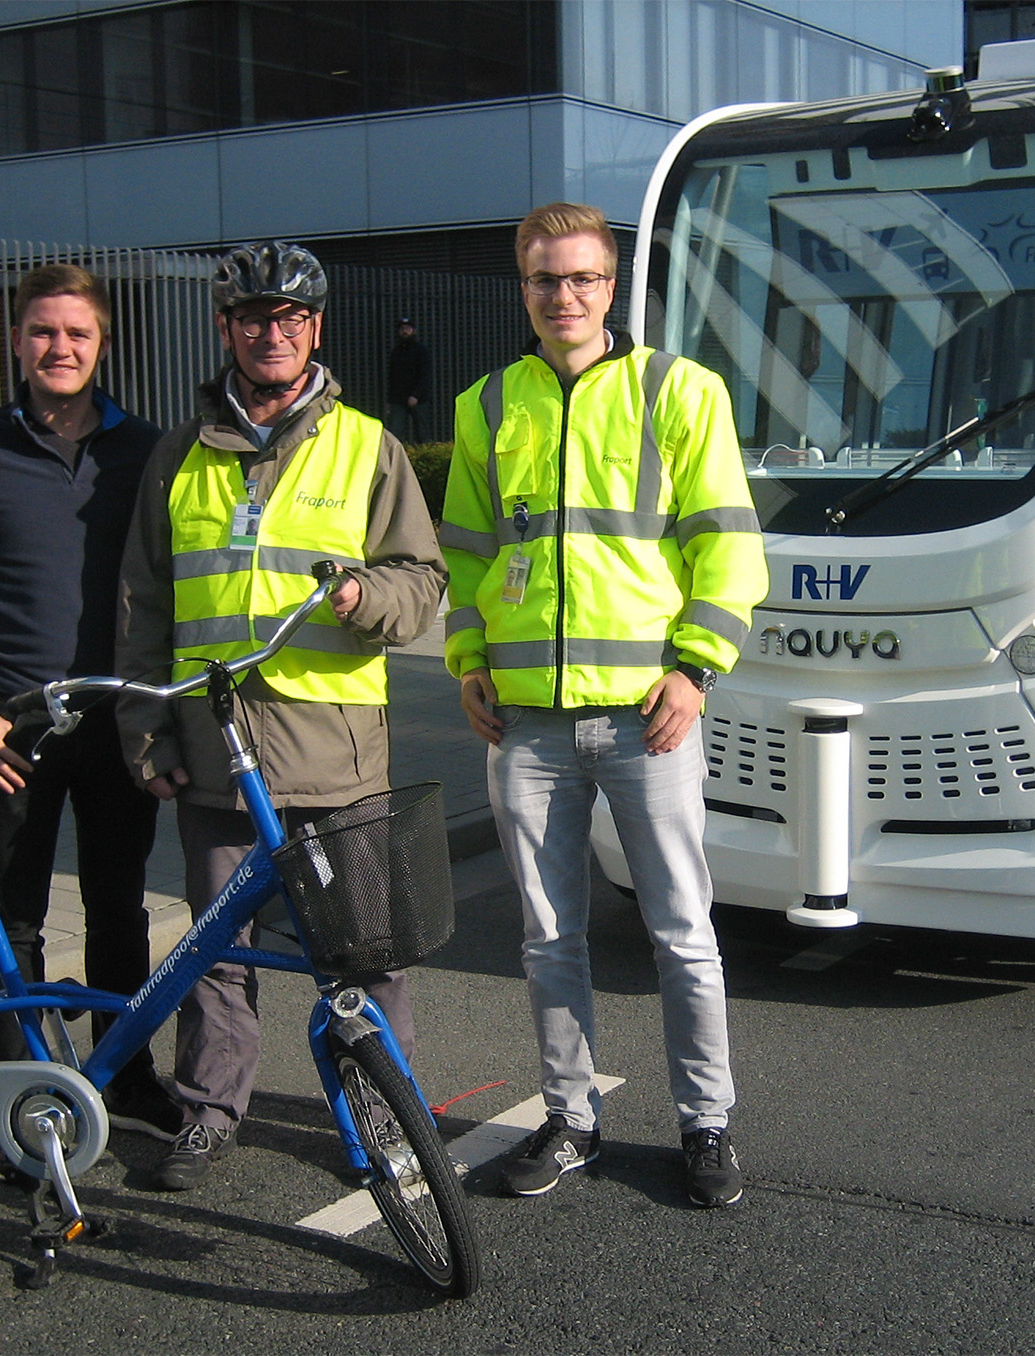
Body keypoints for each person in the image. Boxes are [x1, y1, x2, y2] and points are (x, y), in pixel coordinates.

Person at [440, 202, 768, 1208]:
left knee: (680, 931)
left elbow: (727, 542)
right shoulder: (486, 405)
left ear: (611, 286)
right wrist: (465, 657)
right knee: (546, 938)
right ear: (523, 288)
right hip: (527, 725)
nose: (564, 296)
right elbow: (464, 550)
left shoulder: (679, 390)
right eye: (545, 280)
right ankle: (570, 1119)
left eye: (582, 278)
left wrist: (695, 667)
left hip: (645, 715)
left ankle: (705, 1126)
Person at [116, 240, 445, 1191]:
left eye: (292, 318)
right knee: (215, 954)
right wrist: (143, 732)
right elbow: (144, 603)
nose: (274, 333)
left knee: (367, 955)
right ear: (225, 329)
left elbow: (422, 583)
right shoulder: (178, 455)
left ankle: (382, 1119)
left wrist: (363, 600)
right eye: (254, 317)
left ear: (317, 329)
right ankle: (211, 1113)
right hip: (217, 754)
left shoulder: (368, 444)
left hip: (336, 757)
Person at [0, 263, 180, 1141]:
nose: (58, 347)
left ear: (104, 345)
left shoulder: (142, 448)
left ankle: (127, 1074)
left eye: (77, 333)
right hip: (13, 727)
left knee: (119, 907)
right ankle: (21, 1093)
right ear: (17, 341)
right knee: (13, 916)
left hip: (115, 714)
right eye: (41, 331)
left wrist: (162, 712)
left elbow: (170, 583)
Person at [386, 317, 432, 444]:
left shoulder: (422, 351)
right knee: (395, 431)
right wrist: (390, 400)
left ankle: (425, 458)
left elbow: (425, 376)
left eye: (407, 328)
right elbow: (392, 378)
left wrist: (416, 395)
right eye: (402, 329)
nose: (404, 331)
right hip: (398, 399)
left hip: (419, 399)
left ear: (413, 330)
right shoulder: (396, 352)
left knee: (422, 432)